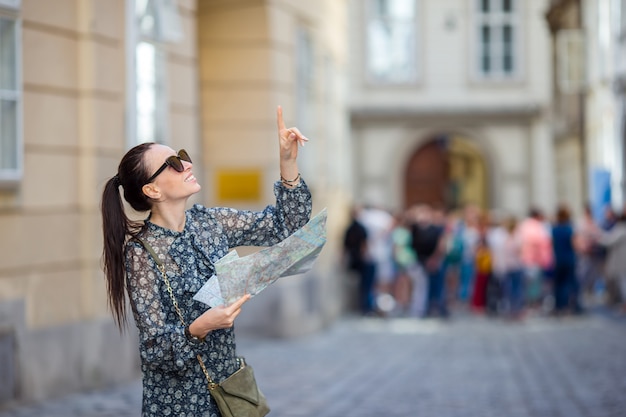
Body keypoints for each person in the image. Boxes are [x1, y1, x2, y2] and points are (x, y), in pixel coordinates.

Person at [100, 106, 312, 417]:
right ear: (152, 189)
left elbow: (286, 225)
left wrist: (288, 162)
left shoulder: (209, 221)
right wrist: (200, 327)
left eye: (182, 155)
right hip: (179, 402)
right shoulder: (141, 252)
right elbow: (155, 349)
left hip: (229, 392)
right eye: (173, 163)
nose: (186, 163)